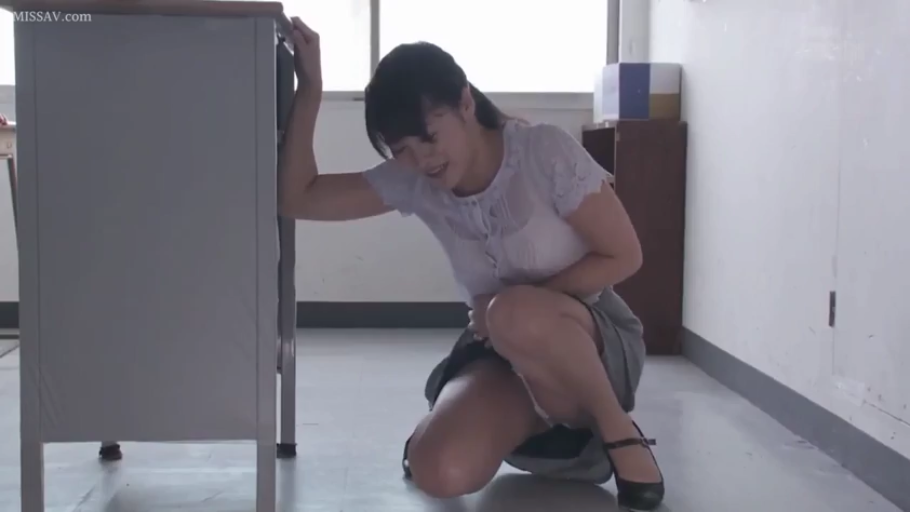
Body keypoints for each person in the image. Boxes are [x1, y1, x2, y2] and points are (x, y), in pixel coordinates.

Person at [281, 17, 665, 511]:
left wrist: (510, 307)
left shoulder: (542, 151)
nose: (422, 159)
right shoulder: (414, 180)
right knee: (438, 470)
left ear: (465, 102)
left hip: (591, 339)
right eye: (403, 150)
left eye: (429, 136)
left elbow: (624, 254)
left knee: (513, 314)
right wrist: (311, 89)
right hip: (501, 354)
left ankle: (620, 434)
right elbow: (299, 198)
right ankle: (509, 423)